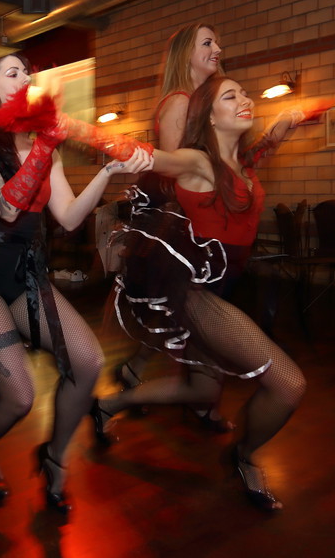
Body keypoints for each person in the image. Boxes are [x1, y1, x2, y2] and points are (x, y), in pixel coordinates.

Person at [0, 53, 151, 515]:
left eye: (28, 73)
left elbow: (70, 217)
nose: (25, 79)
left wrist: (107, 171)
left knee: (88, 363)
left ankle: (55, 457)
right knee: (19, 398)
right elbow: (5, 206)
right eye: (13, 72)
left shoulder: (42, 145)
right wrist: (47, 144)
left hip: (24, 271)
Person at [95, 76, 329, 511]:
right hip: (196, 294)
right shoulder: (198, 161)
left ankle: (108, 405)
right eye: (230, 95)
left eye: (245, 92)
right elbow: (156, 157)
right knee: (288, 384)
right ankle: (245, 457)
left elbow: (262, 149)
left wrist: (286, 122)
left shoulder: (240, 162)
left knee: (203, 392)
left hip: (226, 288)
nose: (245, 99)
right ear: (210, 117)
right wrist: (74, 129)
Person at [114, 23, 234, 431]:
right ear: (187, 54)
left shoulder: (203, 102)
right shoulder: (179, 102)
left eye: (217, 41)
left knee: (181, 314)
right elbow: (172, 172)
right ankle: (199, 400)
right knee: (196, 312)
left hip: (199, 221)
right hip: (178, 224)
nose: (218, 48)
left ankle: (138, 374)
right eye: (208, 42)